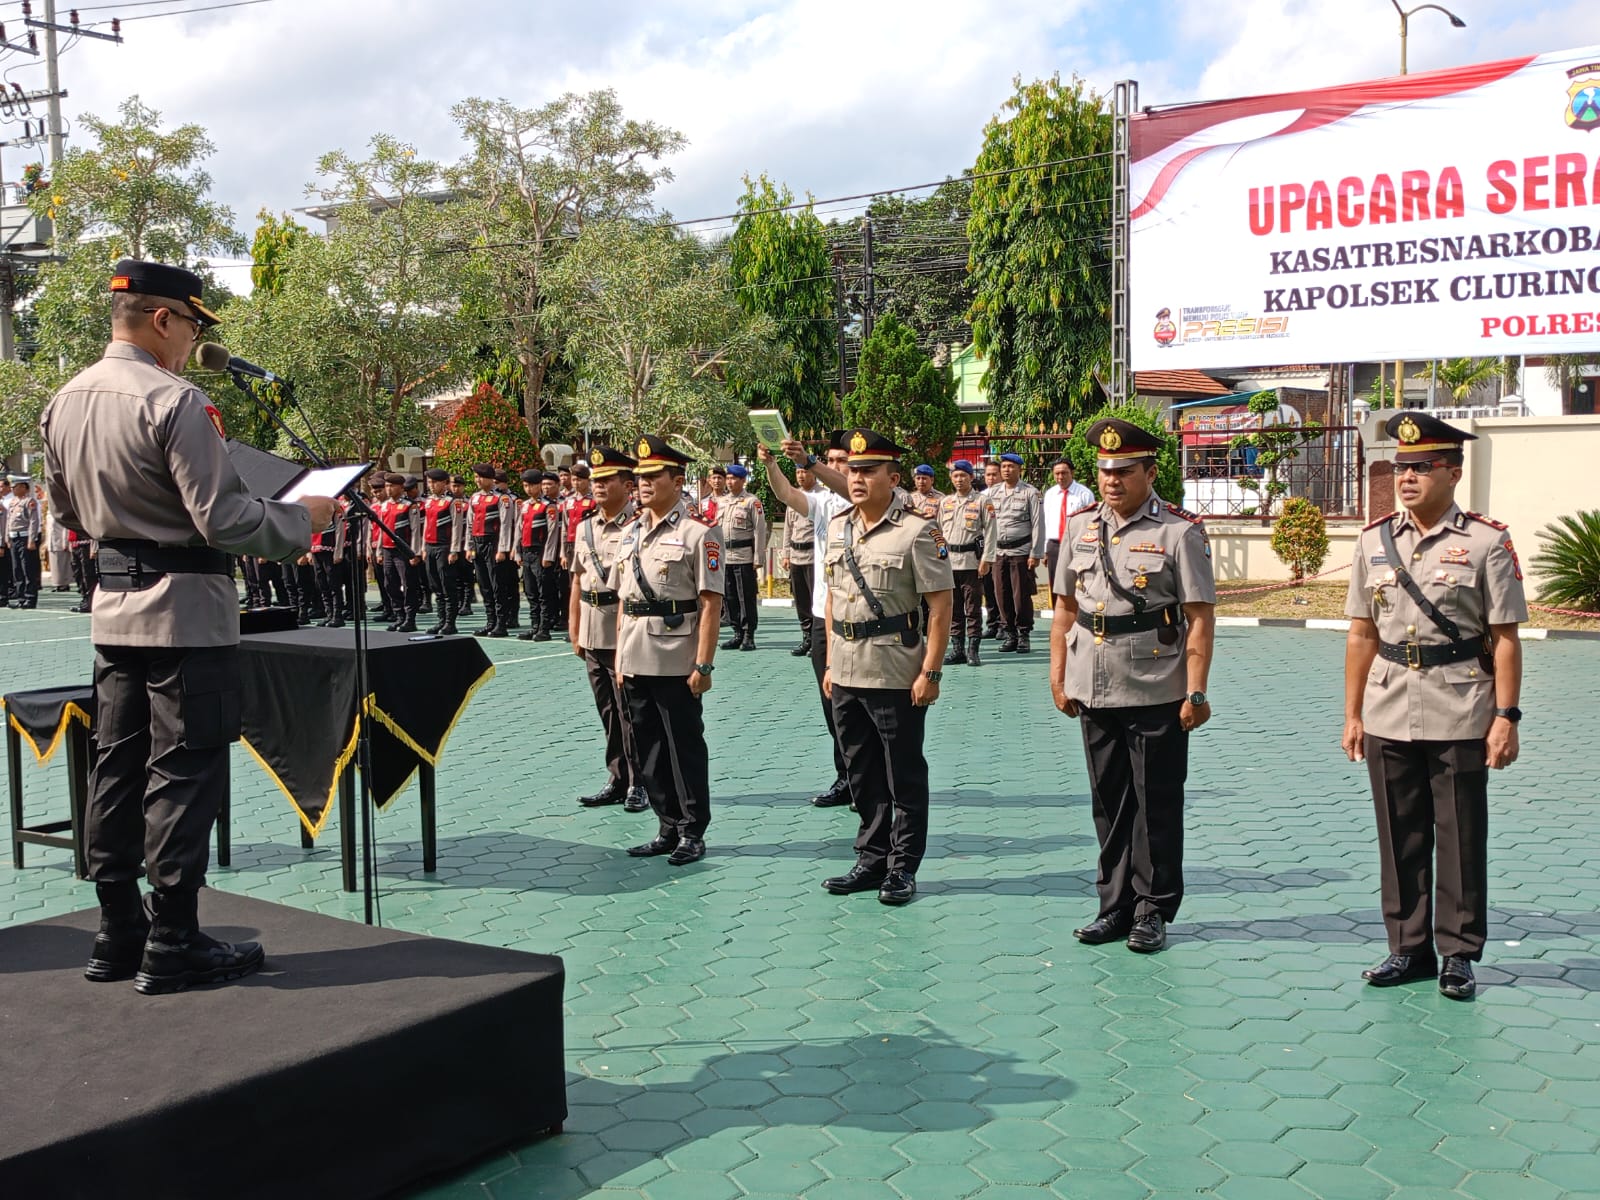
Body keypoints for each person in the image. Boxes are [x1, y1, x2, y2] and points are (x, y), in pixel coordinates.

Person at [40, 258, 336, 994]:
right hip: (186, 614)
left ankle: (116, 931)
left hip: (113, 608)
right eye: (194, 326)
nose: (193, 341)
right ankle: (172, 937)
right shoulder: (176, 401)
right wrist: (305, 520)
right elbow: (224, 518)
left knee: (117, 766)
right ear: (165, 319)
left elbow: (70, 514)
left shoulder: (64, 400)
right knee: (184, 768)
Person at [1342, 411, 1526, 1001]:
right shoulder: (1373, 541)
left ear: (1453, 472)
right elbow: (1361, 634)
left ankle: (1459, 952)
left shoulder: (1486, 542)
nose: (1408, 476)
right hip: (1389, 704)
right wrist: (1352, 714)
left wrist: (1507, 716)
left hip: (1461, 705)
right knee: (1399, 833)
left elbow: (1504, 638)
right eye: (1401, 466)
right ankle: (1407, 946)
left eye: (1422, 466)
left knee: (1460, 834)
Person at [1050, 418, 1216, 954]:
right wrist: (1058, 675)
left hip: (1155, 683)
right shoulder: (1079, 527)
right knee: (1109, 801)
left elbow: (1199, 617)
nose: (1112, 480)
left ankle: (1153, 908)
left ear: (1150, 470)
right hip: (1093, 680)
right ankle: (1114, 905)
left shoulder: (1179, 531)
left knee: (1157, 801)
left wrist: (1195, 690)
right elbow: (1064, 610)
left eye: (1124, 470)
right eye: (1105, 471)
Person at [818, 429, 954, 906]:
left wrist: (931, 672)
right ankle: (870, 856)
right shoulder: (838, 527)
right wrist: (832, 661)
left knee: (903, 773)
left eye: (867, 470)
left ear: (893, 478)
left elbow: (940, 606)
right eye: (852, 470)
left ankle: (902, 867)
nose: (856, 478)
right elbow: (835, 598)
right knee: (861, 771)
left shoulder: (919, 530)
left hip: (896, 670)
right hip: (848, 667)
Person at [611, 435, 722, 865]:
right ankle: (667, 824)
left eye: (653, 476)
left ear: (677, 481)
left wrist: (704, 663)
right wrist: (619, 656)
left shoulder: (700, 534)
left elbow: (711, 602)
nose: (642, 483)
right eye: (639, 477)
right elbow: (625, 599)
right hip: (635, 652)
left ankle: (693, 830)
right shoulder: (631, 533)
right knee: (648, 747)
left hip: (677, 656)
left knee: (684, 746)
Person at [759, 434, 855, 808]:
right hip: (822, 614)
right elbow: (786, 495)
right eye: (832, 459)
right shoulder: (823, 502)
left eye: (841, 460)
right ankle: (845, 776)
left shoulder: (861, 498)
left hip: (860, 619)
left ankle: (870, 778)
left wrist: (809, 461)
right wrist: (770, 464)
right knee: (832, 703)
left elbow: (847, 487)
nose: (835, 465)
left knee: (859, 704)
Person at [569, 446, 647, 812]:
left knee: (630, 711)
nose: (597, 486)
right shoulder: (586, 527)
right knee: (608, 711)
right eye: (594, 480)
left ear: (626, 485)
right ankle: (617, 778)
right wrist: (574, 628)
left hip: (625, 629)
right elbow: (577, 579)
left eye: (605, 480)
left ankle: (640, 782)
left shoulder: (639, 526)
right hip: (591, 628)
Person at [937, 459, 997, 666]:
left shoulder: (982, 501)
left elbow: (990, 531)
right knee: (953, 609)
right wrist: (937, 557)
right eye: (955, 476)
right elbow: (936, 532)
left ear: (971, 477)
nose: (959, 479)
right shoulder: (945, 502)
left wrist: (987, 559)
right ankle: (957, 649)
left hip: (972, 562)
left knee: (972, 608)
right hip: (948, 564)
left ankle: (973, 650)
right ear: (951, 478)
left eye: (963, 475)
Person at [989, 452, 1044, 653]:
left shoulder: (1030, 492)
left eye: (1011, 466)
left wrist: (1035, 553)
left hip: (1021, 551)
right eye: (1003, 466)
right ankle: (1009, 633)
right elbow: (986, 524)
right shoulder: (992, 493)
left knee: (1021, 596)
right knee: (1001, 595)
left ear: (1019, 469)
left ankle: (1023, 634)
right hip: (998, 552)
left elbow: (1038, 524)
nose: (1006, 470)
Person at [718, 463, 766, 651]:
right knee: (729, 597)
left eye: (734, 478)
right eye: (728, 478)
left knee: (746, 597)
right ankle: (736, 632)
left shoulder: (751, 502)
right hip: (725, 557)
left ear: (743, 480)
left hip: (744, 556)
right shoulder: (722, 502)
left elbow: (760, 530)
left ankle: (748, 634)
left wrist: (758, 558)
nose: (729, 482)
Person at [466, 463, 516, 637]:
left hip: (493, 543)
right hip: (478, 543)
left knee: (497, 585)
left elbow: (505, 525)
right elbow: (470, 524)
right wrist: (469, 546)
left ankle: (501, 623)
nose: (477, 480)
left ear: (490, 479)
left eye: (480, 477)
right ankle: (490, 621)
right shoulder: (474, 498)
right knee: (484, 585)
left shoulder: (501, 499)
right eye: (476, 477)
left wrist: (502, 549)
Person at [513, 468, 560, 641]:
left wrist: (548, 556)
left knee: (544, 592)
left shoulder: (548, 506)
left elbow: (553, 533)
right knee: (530, 591)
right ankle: (534, 626)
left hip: (540, 553)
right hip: (526, 553)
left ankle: (544, 628)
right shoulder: (524, 506)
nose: (528, 489)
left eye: (531, 485)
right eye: (525, 486)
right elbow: (519, 529)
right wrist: (517, 551)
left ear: (539, 485)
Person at [375, 472, 423, 632]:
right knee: (390, 584)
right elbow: (382, 530)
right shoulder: (384, 505)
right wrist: (379, 551)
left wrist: (414, 553)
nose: (388, 489)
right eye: (387, 486)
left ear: (401, 488)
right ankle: (399, 616)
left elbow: (416, 530)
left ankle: (410, 619)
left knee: (408, 584)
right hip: (388, 550)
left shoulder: (410, 505)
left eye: (392, 486)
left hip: (403, 551)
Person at [419, 467, 464, 635]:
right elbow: (426, 526)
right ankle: (441, 620)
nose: (431, 485)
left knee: (447, 585)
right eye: (429, 482)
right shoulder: (429, 501)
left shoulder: (452, 502)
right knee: (435, 585)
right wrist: (423, 547)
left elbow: (457, 526)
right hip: (430, 546)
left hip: (444, 546)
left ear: (445, 483)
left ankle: (450, 622)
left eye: (435, 482)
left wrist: (454, 550)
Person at [783, 459, 818, 657]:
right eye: (798, 473)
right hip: (796, 556)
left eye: (804, 472)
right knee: (801, 600)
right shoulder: (794, 496)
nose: (801, 476)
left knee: (815, 600)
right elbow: (788, 527)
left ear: (813, 473)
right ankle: (807, 637)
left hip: (814, 556)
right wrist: (786, 553)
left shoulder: (822, 496)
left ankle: (817, 640)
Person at [1043, 455, 1095, 583]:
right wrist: (1045, 549)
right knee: (1055, 583)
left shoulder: (1084, 494)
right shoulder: (1050, 494)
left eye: (1064, 473)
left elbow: (1092, 522)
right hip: (1054, 546)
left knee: (1077, 582)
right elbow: (1047, 523)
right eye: (1057, 473)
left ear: (1072, 473)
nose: (1060, 477)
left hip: (1076, 545)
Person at [5, 477, 42, 608]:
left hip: (25, 538)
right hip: (14, 538)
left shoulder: (29, 502)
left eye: (15, 487)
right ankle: (21, 598)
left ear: (23, 487)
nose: (12, 489)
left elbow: (33, 522)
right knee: (17, 570)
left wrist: (32, 540)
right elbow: (8, 522)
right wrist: (7, 539)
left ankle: (30, 598)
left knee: (28, 569)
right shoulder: (13, 502)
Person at [981, 459, 1003, 638]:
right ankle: (992, 623)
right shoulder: (981, 497)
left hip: (1004, 548)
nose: (991, 478)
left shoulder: (1005, 495)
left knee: (1002, 589)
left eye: (994, 474)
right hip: (987, 548)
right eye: (988, 474)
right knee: (988, 588)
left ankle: (1005, 624)